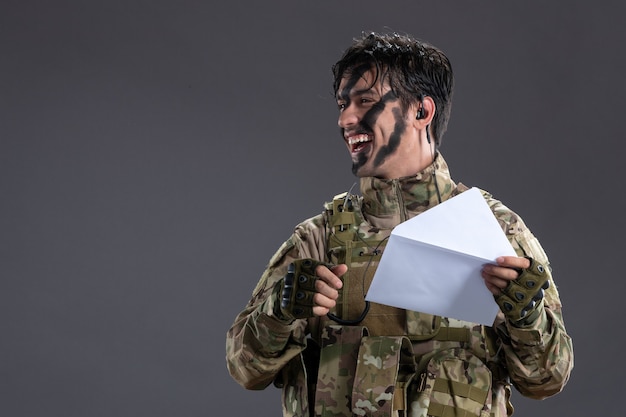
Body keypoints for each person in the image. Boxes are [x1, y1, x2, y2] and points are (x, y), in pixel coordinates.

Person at [226, 32, 573, 417]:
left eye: (365, 101)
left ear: (422, 112)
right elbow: (244, 368)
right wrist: (279, 312)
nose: (345, 119)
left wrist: (527, 318)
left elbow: (548, 379)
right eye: (343, 104)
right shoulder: (318, 240)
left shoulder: (496, 233)